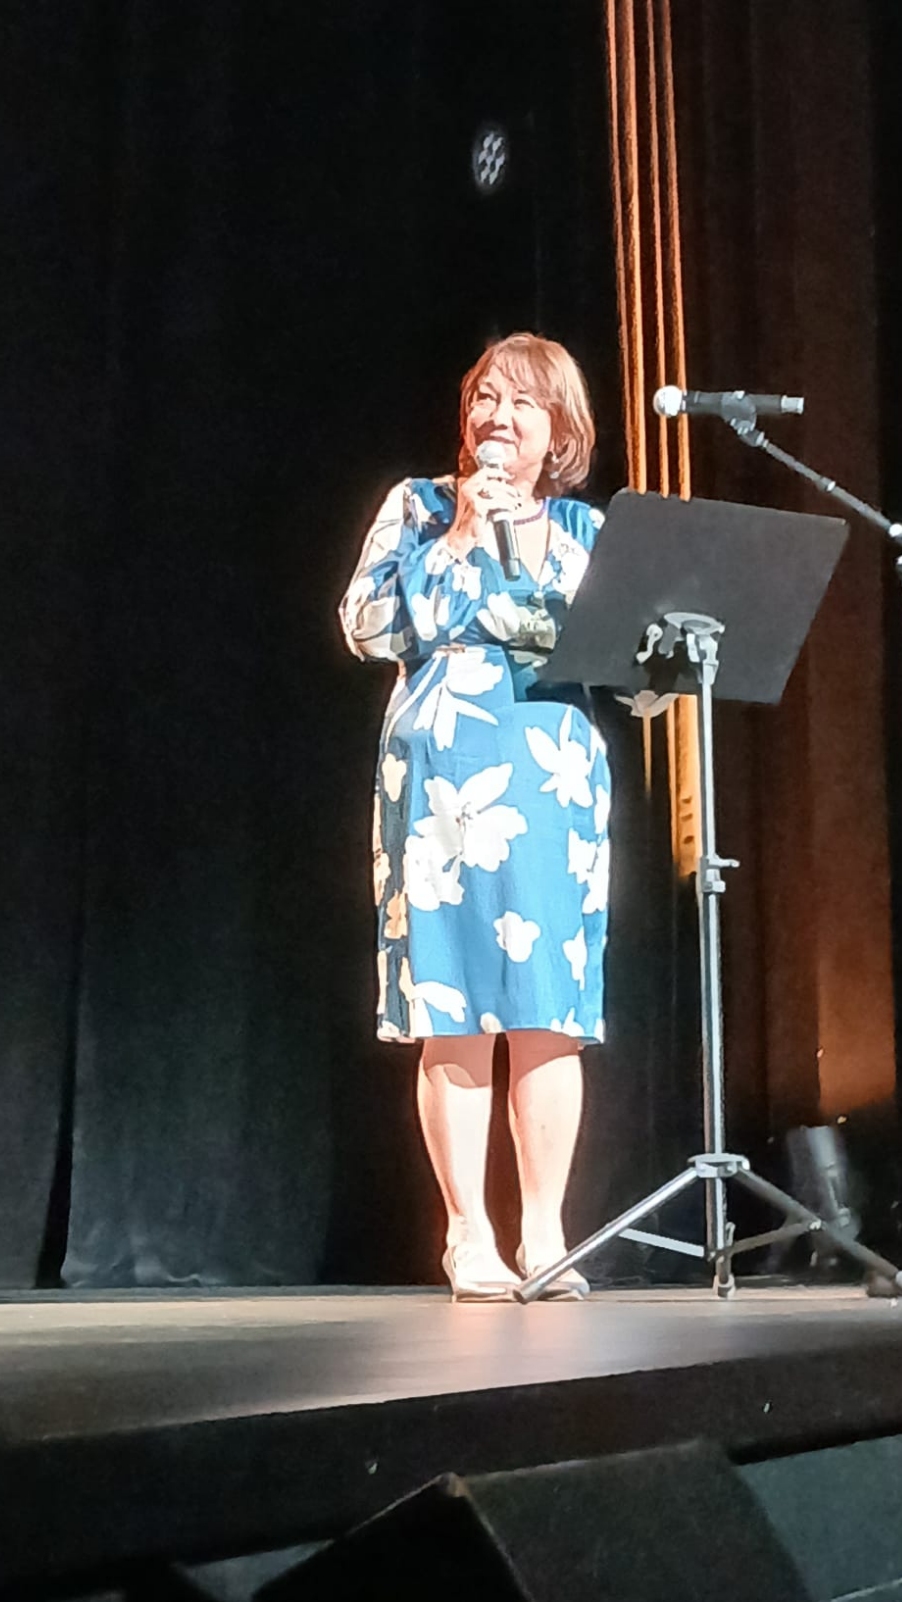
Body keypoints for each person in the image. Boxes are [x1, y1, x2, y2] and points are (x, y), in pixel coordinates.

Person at [338, 332, 611, 1301]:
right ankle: (467, 1234)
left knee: (549, 1009)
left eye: (523, 402)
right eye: (486, 397)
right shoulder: (418, 506)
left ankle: (544, 1232)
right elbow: (366, 625)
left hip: (552, 773)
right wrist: (460, 533)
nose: (498, 415)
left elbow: (628, 663)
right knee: (451, 1004)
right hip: (443, 770)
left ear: (559, 430)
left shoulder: (583, 530)